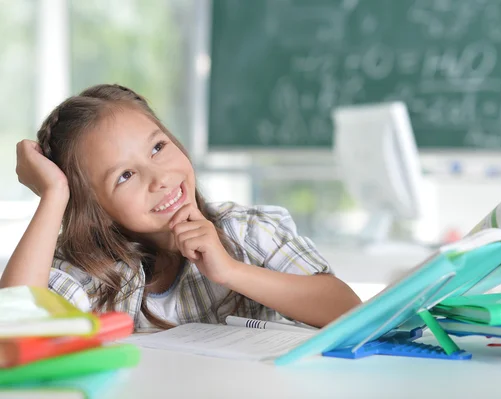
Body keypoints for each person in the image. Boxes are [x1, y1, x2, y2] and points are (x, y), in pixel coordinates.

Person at [0, 84, 361, 330]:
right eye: (125, 176)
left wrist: (231, 271)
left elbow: (346, 309)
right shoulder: (92, 272)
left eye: (157, 147)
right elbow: (12, 326)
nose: (159, 178)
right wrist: (55, 195)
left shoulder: (248, 231)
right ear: (94, 208)